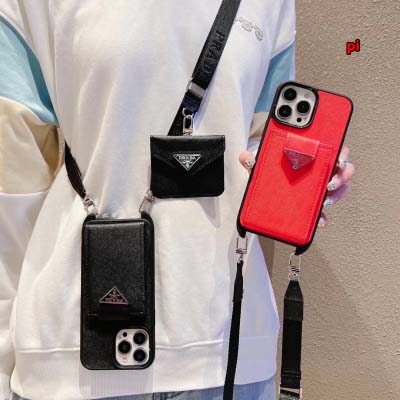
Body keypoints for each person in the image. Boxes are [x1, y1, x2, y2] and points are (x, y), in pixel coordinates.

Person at [0, 1, 354, 399]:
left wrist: (304, 172)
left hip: (231, 347)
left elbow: (256, 142)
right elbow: (12, 188)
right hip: (70, 352)